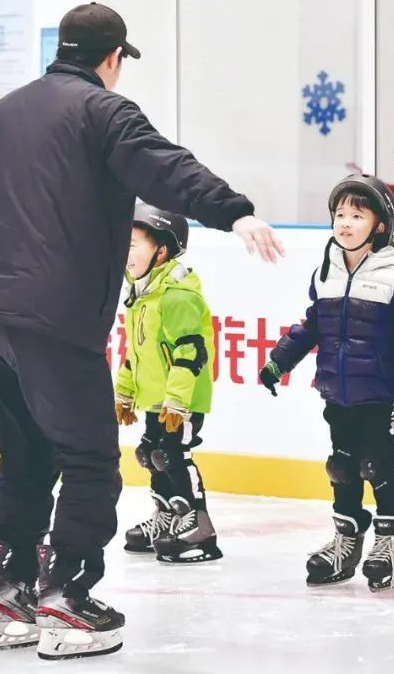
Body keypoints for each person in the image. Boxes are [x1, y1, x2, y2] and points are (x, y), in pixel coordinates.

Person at [0, 2, 283, 660]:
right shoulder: (104, 111)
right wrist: (234, 212)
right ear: (113, 58)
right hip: (52, 318)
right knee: (90, 458)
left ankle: (8, 591)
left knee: (26, 455)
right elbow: (166, 167)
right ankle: (68, 597)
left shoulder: (3, 112)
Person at [257, 175, 394, 592]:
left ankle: (388, 542)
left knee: (376, 465)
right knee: (342, 466)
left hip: (382, 392)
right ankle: (346, 540)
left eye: (357, 215)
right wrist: (278, 360)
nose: (344, 223)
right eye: (340, 214)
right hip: (338, 389)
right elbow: (312, 326)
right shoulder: (325, 273)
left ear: (379, 225)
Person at [116, 203, 221, 564]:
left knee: (172, 455)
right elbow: (137, 351)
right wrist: (125, 392)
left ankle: (199, 523)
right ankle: (167, 518)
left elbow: (189, 353)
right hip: (155, 397)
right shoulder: (142, 293)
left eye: (132, 244)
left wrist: (177, 402)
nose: (124, 251)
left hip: (182, 399)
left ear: (161, 249)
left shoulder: (177, 294)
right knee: (151, 454)